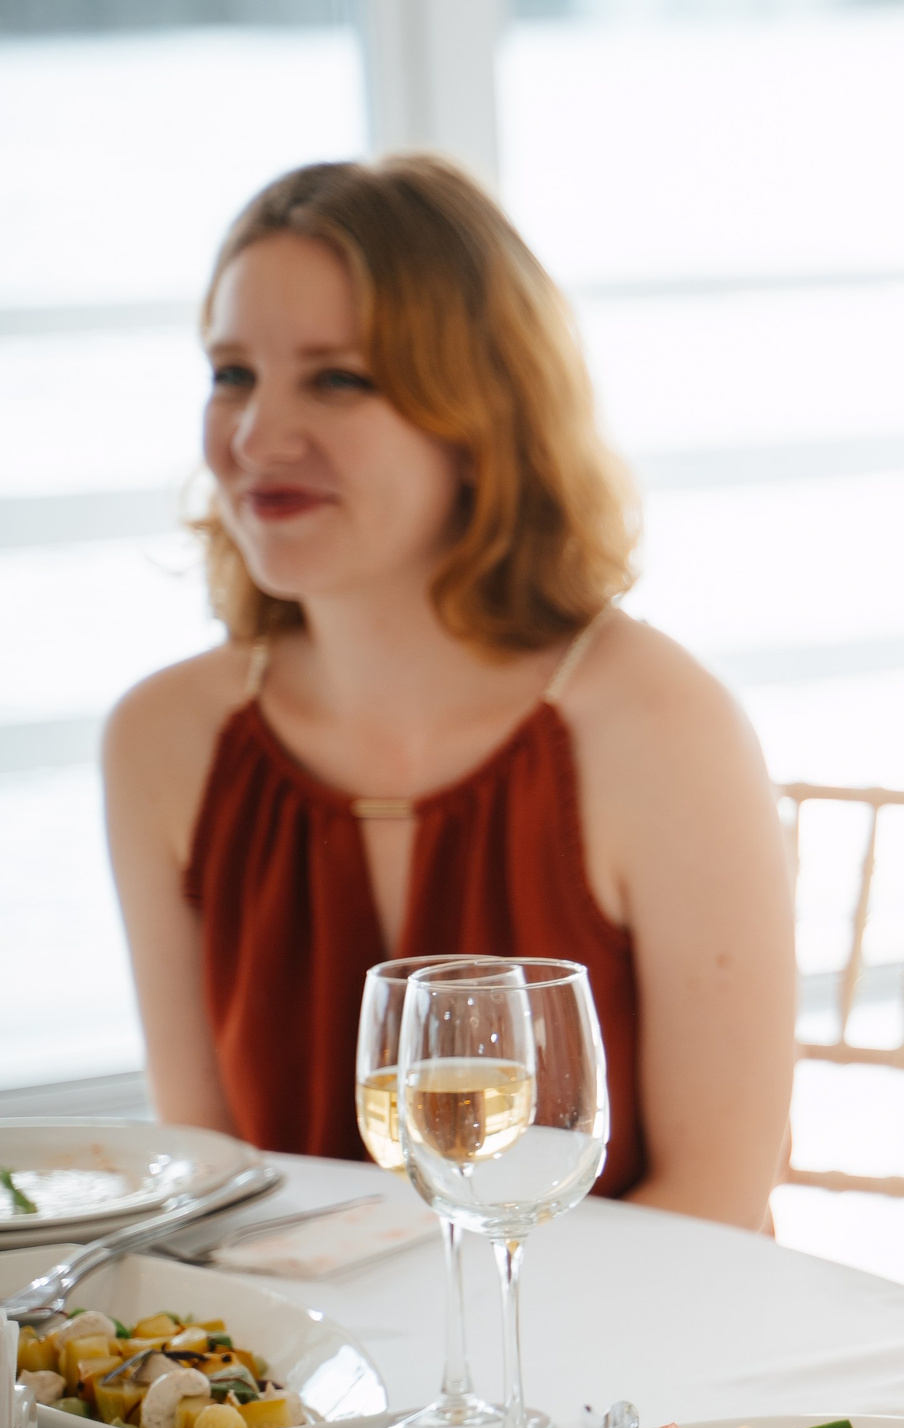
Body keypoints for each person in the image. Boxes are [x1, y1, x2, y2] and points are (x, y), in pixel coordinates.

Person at [102, 156, 796, 1229]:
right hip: (310, 1377)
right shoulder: (161, 739)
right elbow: (207, 1191)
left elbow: (718, 1197)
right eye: (232, 372)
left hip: (631, 1359)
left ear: (480, 414)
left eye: (337, 377)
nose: (255, 436)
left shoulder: (659, 722)